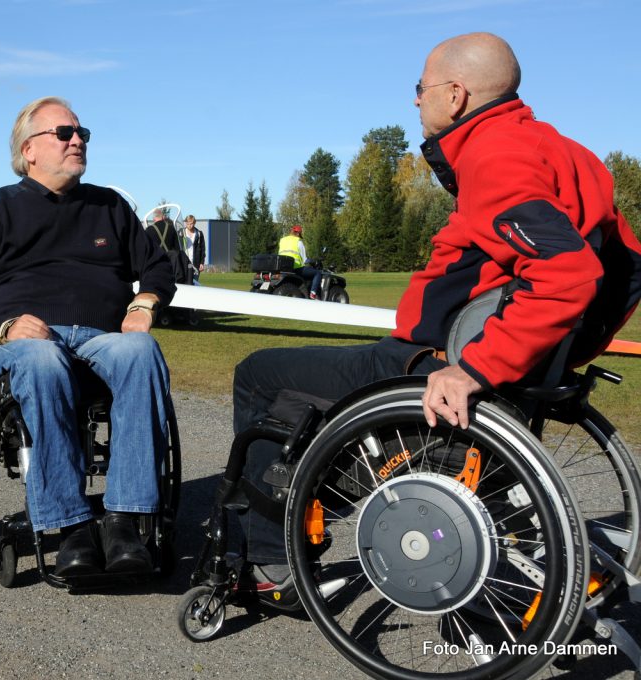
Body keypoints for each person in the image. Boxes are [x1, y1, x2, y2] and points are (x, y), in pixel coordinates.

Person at [233, 32, 641, 595]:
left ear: (455, 94)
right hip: (477, 355)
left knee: (259, 375)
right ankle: (312, 503)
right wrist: (557, 356)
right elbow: (627, 265)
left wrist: (478, 368)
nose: (415, 100)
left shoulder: (494, 155)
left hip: (429, 358)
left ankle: (267, 561)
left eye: (419, 88)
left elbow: (568, 273)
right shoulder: (560, 149)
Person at [0, 96, 177, 577]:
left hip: (102, 338)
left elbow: (158, 266)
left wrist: (144, 302)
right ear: (29, 150)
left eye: (82, 134)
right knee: (44, 362)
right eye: (65, 134)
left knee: (142, 350)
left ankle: (124, 520)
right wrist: (5, 328)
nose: (78, 141)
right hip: (28, 341)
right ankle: (69, 524)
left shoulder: (109, 207)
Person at [277, 224, 322, 299]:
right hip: (296, 268)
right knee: (317, 273)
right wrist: (314, 261)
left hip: (283, 268)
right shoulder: (298, 242)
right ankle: (313, 293)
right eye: (299, 234)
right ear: (298, 233)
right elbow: (305, 260)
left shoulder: (282, 240)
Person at [178, 214, 206, 284]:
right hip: (184, 263)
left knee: (195, 283)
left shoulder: (199, 234)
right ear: (186, 223)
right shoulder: (181, 232)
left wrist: (202, 263)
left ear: (194, 223)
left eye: (192, 224)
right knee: (184, 283)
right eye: (188, 224)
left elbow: (203, 249)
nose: (190, 225)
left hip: (195, 264)